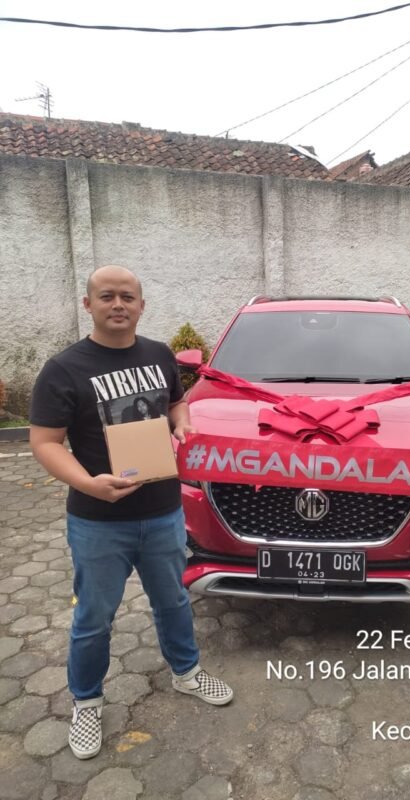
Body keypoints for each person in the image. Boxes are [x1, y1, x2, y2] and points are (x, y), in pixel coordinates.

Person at [29, 265, 233, 761]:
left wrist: (182, 425)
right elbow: (44, 442)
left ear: (142, 305)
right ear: (88, 305)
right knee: (94, 618)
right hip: (97, 521)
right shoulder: (64, 369)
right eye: (106, 296)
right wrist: (87, 484)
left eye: (127, 296)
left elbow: (177, 404)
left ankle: (186, 672)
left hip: (163, 512)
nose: (117, 304)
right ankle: (87, 701)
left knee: (173, 602)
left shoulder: (159, 354)